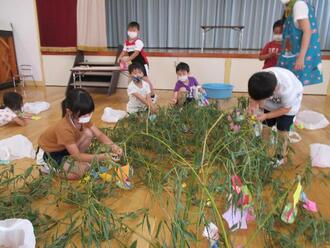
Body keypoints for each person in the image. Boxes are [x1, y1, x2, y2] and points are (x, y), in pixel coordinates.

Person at [36, 88, 123, 180]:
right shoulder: (64, 128)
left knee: (88, 133)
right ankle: (48, 169)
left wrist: (113, 146)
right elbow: (76, 156)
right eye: (84, 115)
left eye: (89, 113)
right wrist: (104, 156)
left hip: (65, 148)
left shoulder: (81, 118)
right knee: (81, 172)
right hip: (50, 154)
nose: (88, 117)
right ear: (69, 112)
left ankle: (74, 162)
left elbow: (99, 134)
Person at [248, 67, 303, 165]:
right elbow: (253, 96)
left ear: (273, 93)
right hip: (271, 101)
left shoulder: (287, 89)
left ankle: (280, 156)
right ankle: (262, 150)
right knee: (266, 125)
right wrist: (252, 105)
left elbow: (286, 109)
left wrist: (266, 115)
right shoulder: (259, 80)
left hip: (288, 107)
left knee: (282, 128)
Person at [277, 0, 323, 86]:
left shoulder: (299, 5)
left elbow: (307, 31)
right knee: (289, 85)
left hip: (297, 56)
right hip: (291, 53)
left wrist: (301, 57)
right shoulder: (293, 6)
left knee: (292, 86)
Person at [118, 21, 156, 101]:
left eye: (134, 30)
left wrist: (127, 59)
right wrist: (120, 57)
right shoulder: (126, 43)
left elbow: (136, 53)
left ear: (138, 31)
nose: (132, 32)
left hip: (142, 64)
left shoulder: (139, 42)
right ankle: (131, 95)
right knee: (130, 78)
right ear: (127, 31)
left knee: (145, 79)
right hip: (134, 64)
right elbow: (123, 51)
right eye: (130, 30)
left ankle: (152, 95)